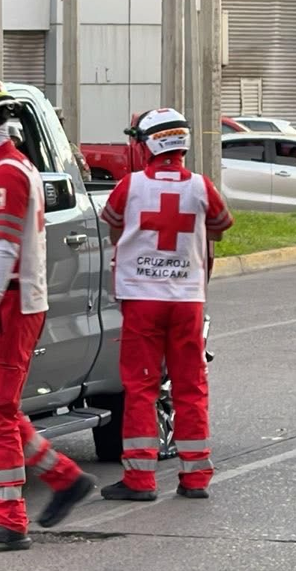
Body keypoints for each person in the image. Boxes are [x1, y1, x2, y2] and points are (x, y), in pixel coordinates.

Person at [0, 73, 96, 553]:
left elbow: (4, 249)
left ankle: (10, 521)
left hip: (8, 304)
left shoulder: (7, 174)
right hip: (1, 302)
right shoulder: (5, 169)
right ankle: (63, 477)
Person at [98, 108, 234, 502]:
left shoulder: (131, 185)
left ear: (150, 144)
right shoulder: (201, 187)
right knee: (190, 386)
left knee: (141, 387)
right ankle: (195, 478)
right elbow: (222, 224)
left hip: (142, 299)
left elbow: (114, 224)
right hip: (187, 300)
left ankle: (140, 479)